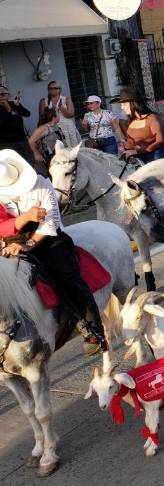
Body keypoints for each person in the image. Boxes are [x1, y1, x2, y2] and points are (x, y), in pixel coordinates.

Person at [0, 149, 108, 352]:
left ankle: (93, 329)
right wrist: (23, 221)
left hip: (45, 238)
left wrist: (27, 245)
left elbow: (49, 224)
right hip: (10, 240)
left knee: (67, 277)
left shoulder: (41, 184)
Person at [114, 87, 164, 163]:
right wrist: (125, 147)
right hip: (137, 158)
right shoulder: (132, 120)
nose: (122, 107)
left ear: (133, 103)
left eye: (124, 104)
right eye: (121, 105)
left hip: (155, 156)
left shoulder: (152, 118)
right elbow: (132, 143)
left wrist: (135, 151)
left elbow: (159, 141)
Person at [38, 81, 81, 147]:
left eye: (55, 88)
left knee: (72, 149)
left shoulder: (66, 99)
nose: (53, 90)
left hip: (67, 127)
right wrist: (51, 112)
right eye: (50, 88)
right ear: (48, 89)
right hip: (52, 128)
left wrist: (61, 107)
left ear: (59, 89)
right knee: (58, 150)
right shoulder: (43, 101)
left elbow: (71, 114)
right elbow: (42, 118)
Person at [0, 85, 34, 165]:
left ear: (8, 95)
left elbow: (27, 114)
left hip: (21, 140)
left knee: (29, 162)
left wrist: (18, 106)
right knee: (13, 166)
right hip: (6, 143)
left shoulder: (14, 104)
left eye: (3, 94)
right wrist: (8, 109)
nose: (1, 96)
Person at [28, 109, 63, 176]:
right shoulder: (44, 128)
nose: (60, 116)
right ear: (53, 117)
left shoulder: (55, 126)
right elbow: (30, 141)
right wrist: (36, 153)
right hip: (51, 158)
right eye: (58, 114)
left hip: (59, 156)